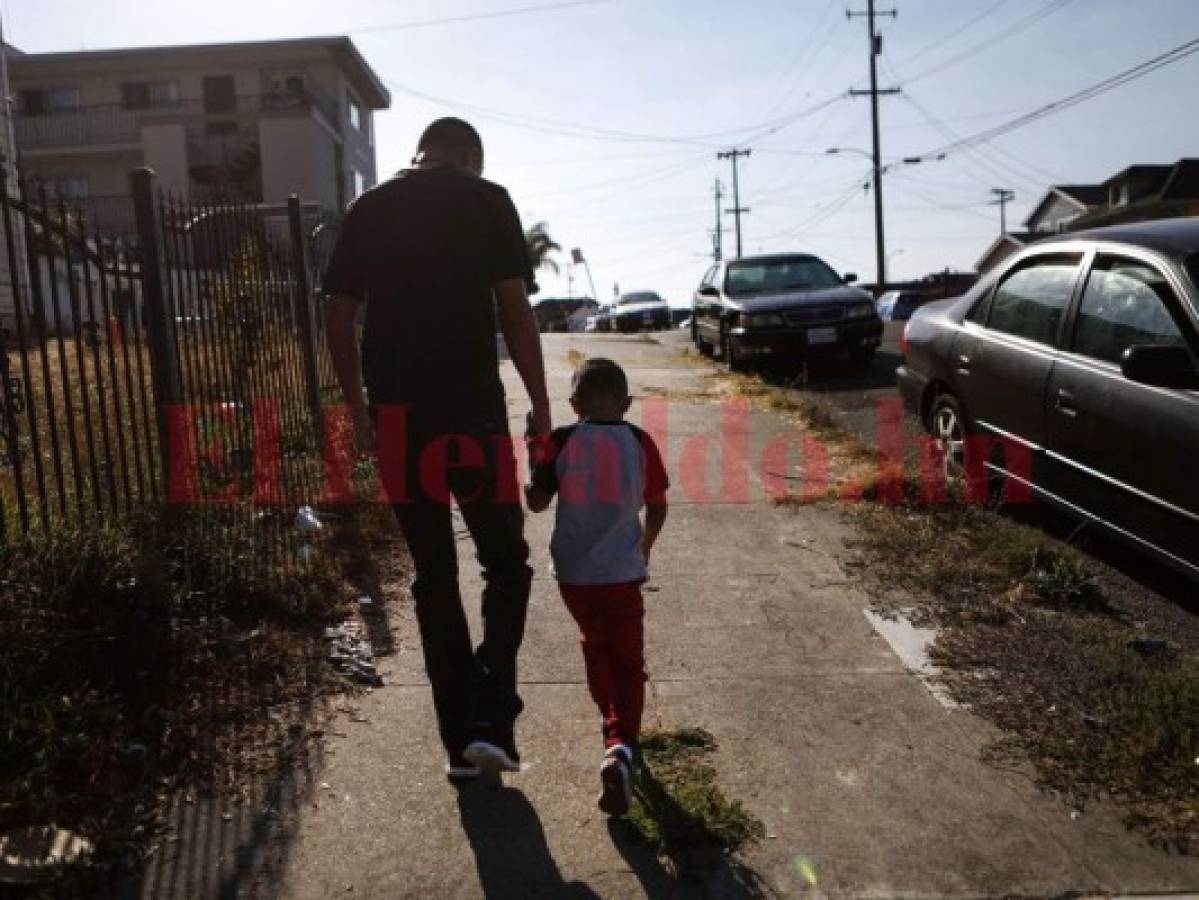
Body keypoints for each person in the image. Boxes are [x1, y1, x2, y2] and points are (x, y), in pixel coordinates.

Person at [323, 117, 551, 781]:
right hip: (472, 415)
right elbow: (514, 309)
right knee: (505, 562)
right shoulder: (486, 200)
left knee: (433, 577)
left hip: (397, 418)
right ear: (470, 156)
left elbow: (337, 313)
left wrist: (357, 410)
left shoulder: (368, 207)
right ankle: (490, 718)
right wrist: (537, 404)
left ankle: (459, 744)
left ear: (417, 152)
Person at [524, 358, 669, 816]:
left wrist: (535, 448)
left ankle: (610, 726)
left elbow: (537, 501)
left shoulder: (563, 441)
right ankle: (621, 744)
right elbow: (658, 505)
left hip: (574, 576)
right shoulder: (641, 442)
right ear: (626, 403)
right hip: (622, 573)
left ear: (574, 404)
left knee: (595, 644)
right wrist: (644, 548)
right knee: (628, 661)